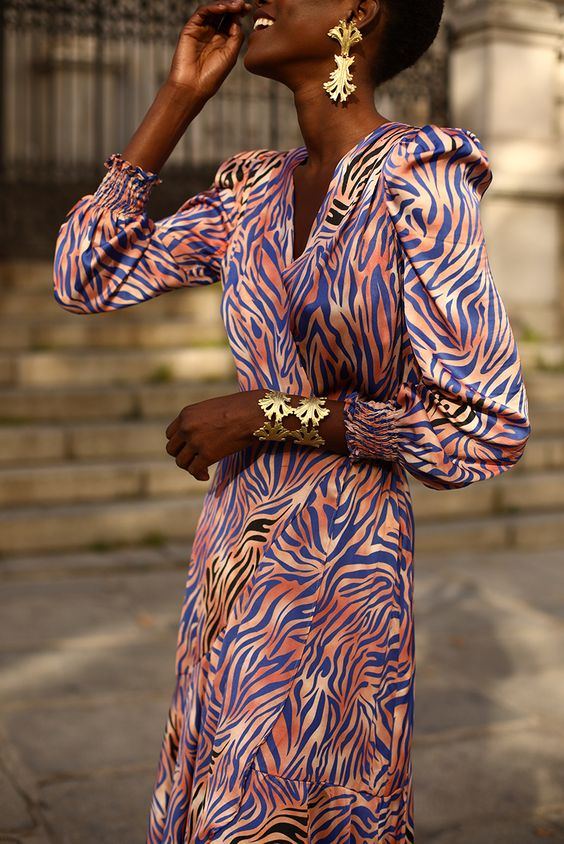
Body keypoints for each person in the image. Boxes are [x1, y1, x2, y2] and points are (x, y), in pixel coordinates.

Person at [52, 0, 531, 839]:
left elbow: (484, 427)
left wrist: (269, 415)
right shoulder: (254, 192)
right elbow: (86, 274)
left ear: (360, 12)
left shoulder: (421, 181)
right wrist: (177, 97)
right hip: (233, 548)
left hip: (341, 564)